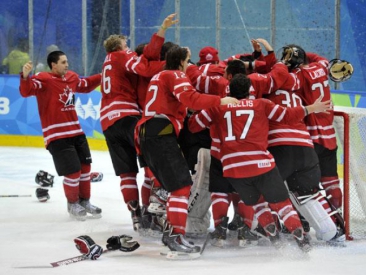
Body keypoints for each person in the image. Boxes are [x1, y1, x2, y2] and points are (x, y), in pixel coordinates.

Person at [188, 73, 332, 252]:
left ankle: (275, 240)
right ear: (250, 91)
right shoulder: (261, 104)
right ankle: (303, 243)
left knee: (258, 203)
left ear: (230, 91)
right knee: (281, 204)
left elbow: (193, 126)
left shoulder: (218, 108)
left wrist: (207, 105)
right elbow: (286, 116)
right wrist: (311, 108)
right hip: (261, 164)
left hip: (233, 169)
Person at [135, 45, 239, 255]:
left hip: (146, 132)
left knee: (174, 185)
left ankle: (169, 227)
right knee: (182, 187)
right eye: (188, 60)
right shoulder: (175, 74)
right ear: (181, 61)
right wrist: (220, 100)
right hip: (161, 131)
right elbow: (191, 98)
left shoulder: (159, 76)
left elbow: (181, 103)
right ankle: (175, 236)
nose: (189, 64)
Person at [99, 13, 178, 233]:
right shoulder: (121, 56)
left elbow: (146, 57)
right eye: (127, 45)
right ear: (120, 46)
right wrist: (172, 64)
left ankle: (136, 217)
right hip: (126, 115)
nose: (129, 48)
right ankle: (158, 196)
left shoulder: (108, 62)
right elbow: (144, 67)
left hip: (107, 122)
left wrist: (161, 30)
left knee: (126, 173)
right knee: (152, 154)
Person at [19, 51, 101, 221]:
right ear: (53, 65)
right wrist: (25, 76)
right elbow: (27, 91)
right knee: (73, 172)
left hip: (76, 132)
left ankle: (84, 201)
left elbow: (85, 84)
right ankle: (72, 204)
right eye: (63, 62)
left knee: (85, 170)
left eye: (67, 61)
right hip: (57, 135)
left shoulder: (71, 77)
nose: (67, 65)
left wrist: (103, 75)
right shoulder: (44, 79)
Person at [279, 45, 344, 219]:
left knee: (305, 187)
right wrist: (300, 54)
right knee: (331, 183)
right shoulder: (321, 67)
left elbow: (279, 79)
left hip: (311, 139)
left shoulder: (298, 77)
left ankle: (310, 221)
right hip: (329, 138)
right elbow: (318, 58)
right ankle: (338, 217)